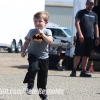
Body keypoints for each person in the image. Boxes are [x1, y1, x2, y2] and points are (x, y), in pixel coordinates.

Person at [21, 11, 53, 100]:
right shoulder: (31, 31)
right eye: (35, 21)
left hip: (44, 57)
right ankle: (30, 85)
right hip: (33, 55)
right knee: (33, 68)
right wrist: (23, 51)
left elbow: (50, 41)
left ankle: (43, 95)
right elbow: (27, 41)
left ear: (46, 22)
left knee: (43, 78)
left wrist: (43, 35)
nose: (37, 23)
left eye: (40, 21)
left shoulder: (47, 31)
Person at [70, 0, 99, 77]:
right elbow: (77, 23)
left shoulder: (94, 15)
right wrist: (80, 34)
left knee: (87, 55)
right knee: (78, 54)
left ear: (93, 5)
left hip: (91, 38)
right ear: (86, 4)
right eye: (89, 3)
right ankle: (73, 71)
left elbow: (96, 27)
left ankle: (83, 71)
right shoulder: (81, 12)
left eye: (92, 4)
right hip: (81, 37)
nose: (90, 5)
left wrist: (97, 38)